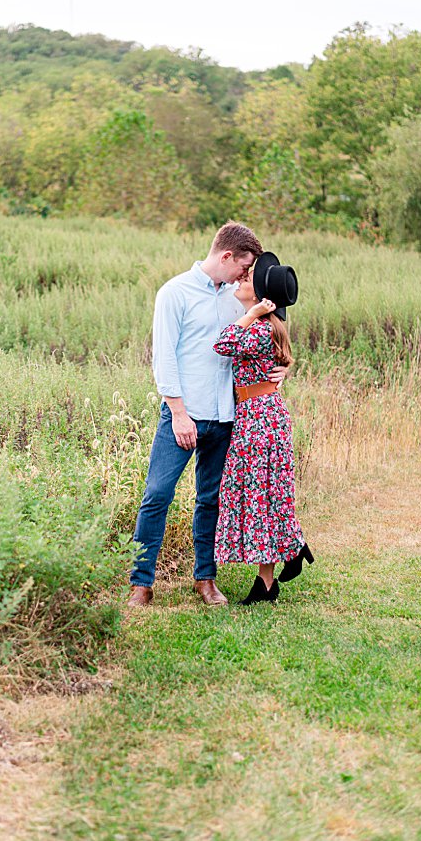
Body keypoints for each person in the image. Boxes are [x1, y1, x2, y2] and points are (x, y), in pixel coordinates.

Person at [127, 223, 286, 607]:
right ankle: (141, 583)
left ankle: (205, 578)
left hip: (228, 416)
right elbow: (163, 357)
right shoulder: (175, 292)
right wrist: (179, 414)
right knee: (157, 495)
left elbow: (270, 331)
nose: (247, 276)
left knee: (211, 499)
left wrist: (282, 370)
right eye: (245, 267)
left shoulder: (238, 298)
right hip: (184, 414)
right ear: (226, 256)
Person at [213, 251, 312, 604]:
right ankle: (270, 577)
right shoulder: (265, 326)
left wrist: (252, 314)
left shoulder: (256, 328)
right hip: (261, 414)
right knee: (263, 494)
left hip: (258, 418)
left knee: (258, 493)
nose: (241, 280)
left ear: (258, 297)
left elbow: (222, 345)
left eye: (247, 279)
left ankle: (287, 553)